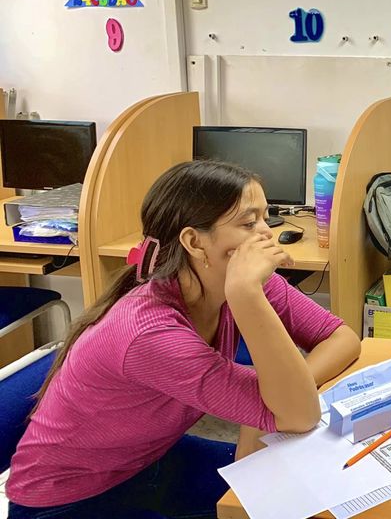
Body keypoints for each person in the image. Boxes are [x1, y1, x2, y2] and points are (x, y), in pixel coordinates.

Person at [6, 160, 361, 519]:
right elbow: (300, 414)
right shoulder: (151, 332)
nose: (266, 235)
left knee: (305, 492)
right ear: (193, 241)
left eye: (265, 219)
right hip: (69, 501)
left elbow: (341, 338)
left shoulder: (238, 281)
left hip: (149, 459)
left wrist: (266, 405)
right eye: (248, 223)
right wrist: (271, 398)